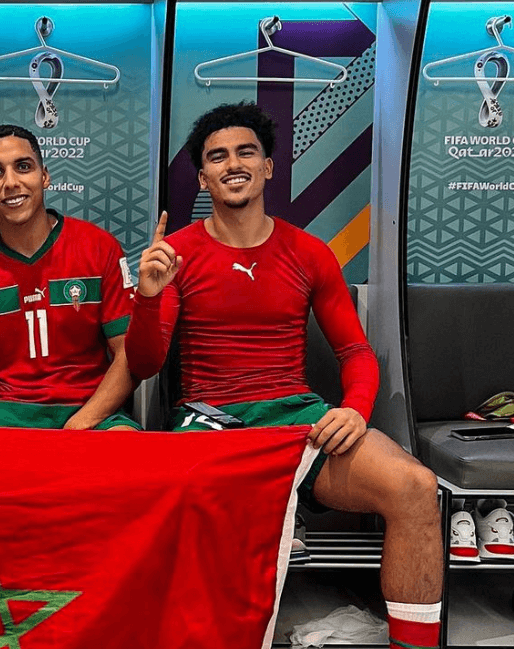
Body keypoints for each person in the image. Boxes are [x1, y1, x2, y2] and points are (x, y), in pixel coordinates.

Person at [126, 103, 443, 649]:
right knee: (181, 498)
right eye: (217, 157)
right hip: (211, 424)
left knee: (414, 487)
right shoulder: (176, 253)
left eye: (245, 152)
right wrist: (148, 299)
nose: (233, 164)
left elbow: (356, 351)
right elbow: (146, 363)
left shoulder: (309, 252)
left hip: (297, 418)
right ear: (202, 178)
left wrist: (355, 409)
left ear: (268, 166)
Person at [0, 124, 137, 430]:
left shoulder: (99, 247)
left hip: (90, 409)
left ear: (44, 176)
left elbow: (129, 356)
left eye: (23, 167)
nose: (11, 183)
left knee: (129, 449)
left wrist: (82, 422)